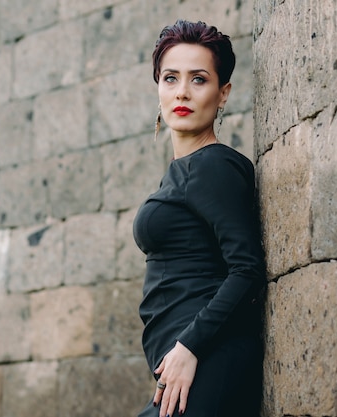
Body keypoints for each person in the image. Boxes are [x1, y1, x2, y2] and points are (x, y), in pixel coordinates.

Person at [132, 20, 265, 417]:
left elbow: (247, 268)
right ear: (158, 87)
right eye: (170, 78)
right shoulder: (186, 169)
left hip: (206, 357)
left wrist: (190, 347)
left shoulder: (212, 166)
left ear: (223, 94)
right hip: (184, 365)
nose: (182, 92)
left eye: (199, 79)